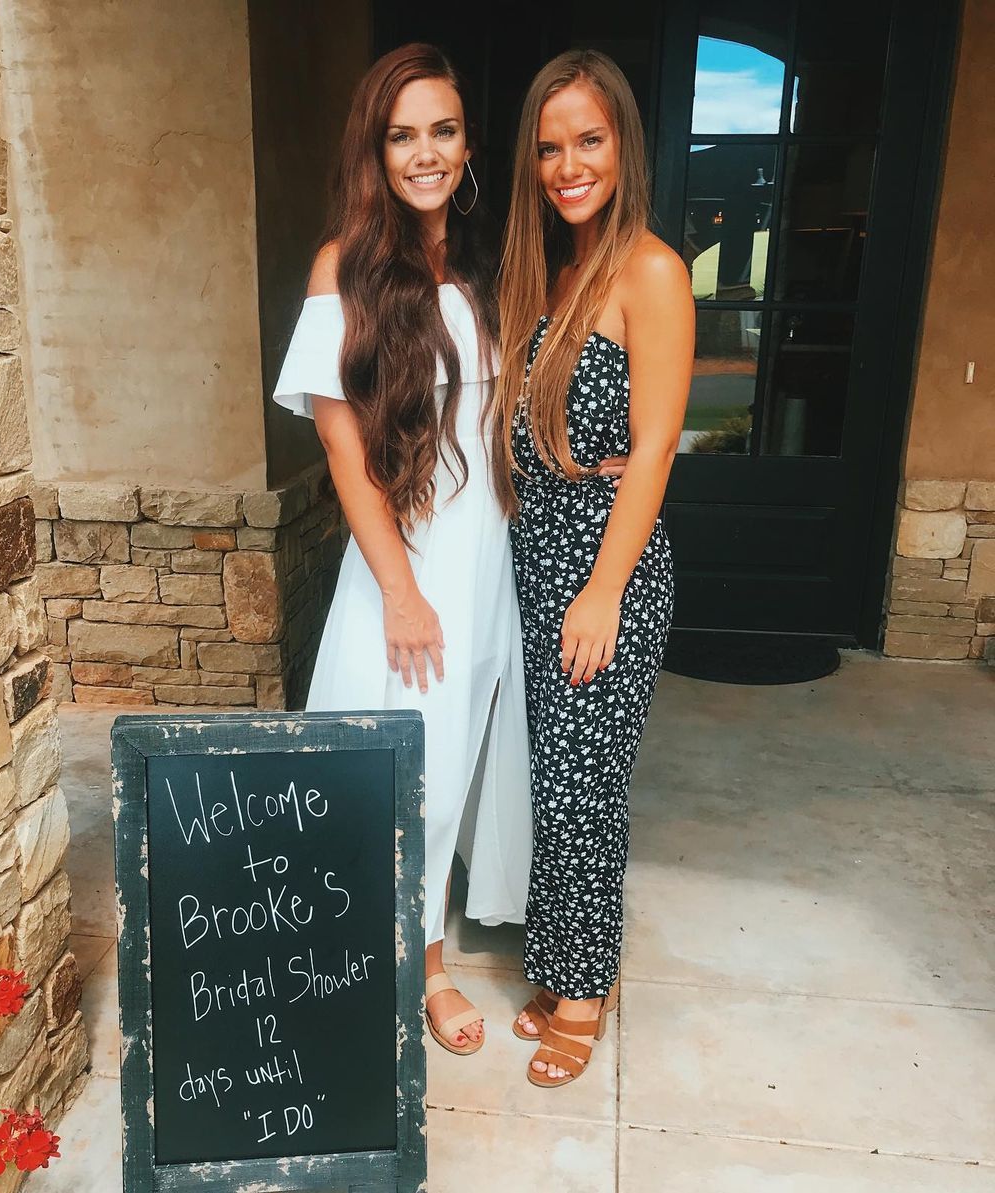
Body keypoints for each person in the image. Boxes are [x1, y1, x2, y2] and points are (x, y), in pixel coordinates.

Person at [272, 44, 532, 1056]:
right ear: (375, 151)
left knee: (451, 762)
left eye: (443, 131)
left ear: (467, 146)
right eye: (403, 135)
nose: (425, 153)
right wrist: (400, 589)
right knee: (393, 772)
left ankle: (413, 948)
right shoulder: (343, 267)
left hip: (484, 559)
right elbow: (342, 447)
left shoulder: (482, 263)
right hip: (407, 563)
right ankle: (413, 970)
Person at [492, 49, 694, 1087]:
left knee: (585, 786)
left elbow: (653, 449)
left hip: (604, 559)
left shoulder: (650, 270)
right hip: (537, 550)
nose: (569, 166)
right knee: (551, 774)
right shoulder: (554, 273)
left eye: (589, 140)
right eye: (550, 147)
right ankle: (562, 959)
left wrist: (604, 588)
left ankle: (583, 990)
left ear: (625, 146)